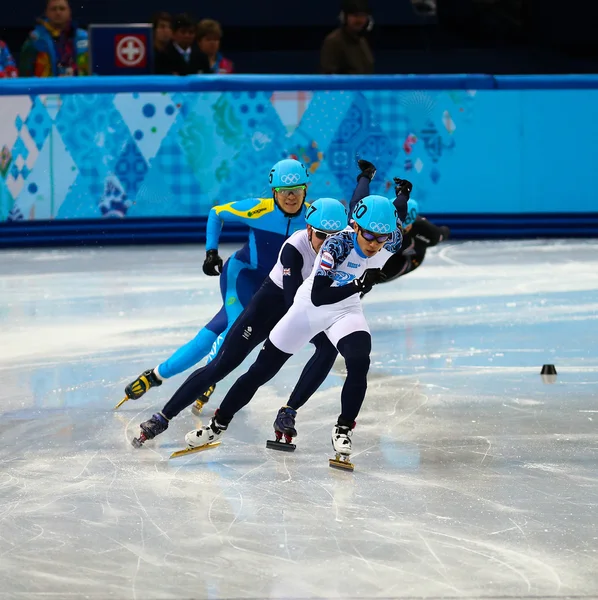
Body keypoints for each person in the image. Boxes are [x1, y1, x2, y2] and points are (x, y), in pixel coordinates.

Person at [184, 194, 403, 470]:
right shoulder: (335, 245)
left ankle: (343, 429)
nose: (374, 244)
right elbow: (320, 296)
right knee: (259, 372)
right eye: (369, 235)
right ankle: (217, 425)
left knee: (359, 362)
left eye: (381, 238)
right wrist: (359, 283)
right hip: (308, 308)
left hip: (345, 310)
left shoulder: (392, 239)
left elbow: (395, 217)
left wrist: (400, 198)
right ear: (356, 226)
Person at [130, 197, 349, 447]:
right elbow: (293, 303)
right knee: (220, 367)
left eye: (335, 238)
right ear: (309, 229)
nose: (327, 246)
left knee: (320, 351)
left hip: (301, 309)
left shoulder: (343, 246)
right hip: (270, 308)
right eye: (322, 236)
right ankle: (162, 417)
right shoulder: (294, 247)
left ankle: (287, 411)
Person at [120, 159, 311, 410]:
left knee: (215, 331)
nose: (290, 197)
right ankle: (209, 375)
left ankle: (155, 375)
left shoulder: (313, 217)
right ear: (274, 192)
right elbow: (216, 213)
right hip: (243, 275)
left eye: (296, 190)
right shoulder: (258, 210)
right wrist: (211, 252)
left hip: (272, 287)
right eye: (285, 191)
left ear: (305, 190)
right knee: (236, 326)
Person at [19, 0, 88, 77]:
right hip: (46, 87)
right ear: (46, 12)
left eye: (62, 9)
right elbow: (25, 73)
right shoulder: (35, 39)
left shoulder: (84, 37)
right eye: (53, 9)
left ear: (69, 11)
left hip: (80, 86)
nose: (58, 12)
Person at [320, 0, 374, 75]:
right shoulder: (334, 41)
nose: (359, 20)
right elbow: (329, 77)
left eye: (363, 16)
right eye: (355, 15)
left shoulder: (362, 41)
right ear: (344, 17)